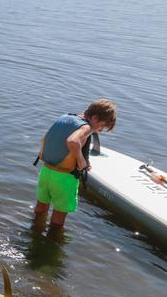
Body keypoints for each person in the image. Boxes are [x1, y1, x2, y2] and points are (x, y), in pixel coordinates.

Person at [33, 99, 117, 232]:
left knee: (41, 207)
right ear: (94, 118)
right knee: (59, 215)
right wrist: (81, 161)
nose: (100, 130)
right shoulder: (86, 127)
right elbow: (72, 141)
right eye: (101, 126)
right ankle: (54, 241)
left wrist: (80, 158)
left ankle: (35, 230)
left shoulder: (65, 117)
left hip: (46, 171)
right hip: (64, 179)